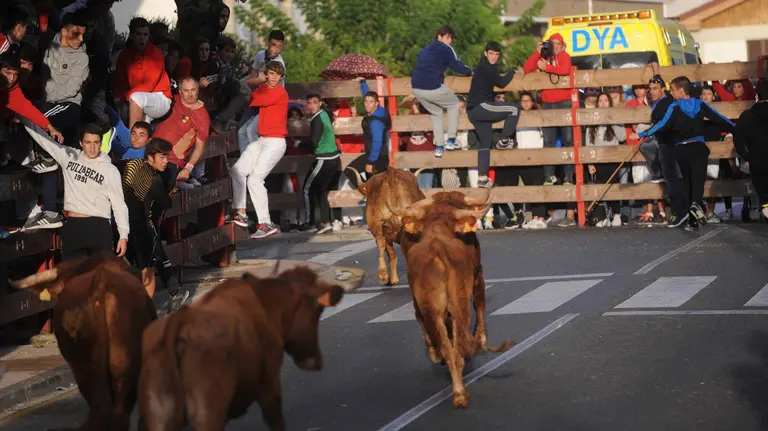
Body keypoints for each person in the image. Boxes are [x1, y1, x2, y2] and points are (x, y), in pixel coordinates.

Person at [639, 76, 736, 231]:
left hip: (682, 149)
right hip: (698, 147)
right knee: (698, 181)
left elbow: (663, 124)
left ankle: (692, 217)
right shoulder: (700, 104)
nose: (671, 93)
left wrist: (645, 133)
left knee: (686, 182)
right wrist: (736, 128)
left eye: (673, 90)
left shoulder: (674, 106)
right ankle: (695, 206)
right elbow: (719, 118)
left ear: (681, 91)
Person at [24, 121, 129, 260]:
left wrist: (123, 235)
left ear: (101, 144)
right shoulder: (70, 156)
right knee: (71, 273)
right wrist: (23, 118)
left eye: (96, 142)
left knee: (101, 273)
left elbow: (119, 204)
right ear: (81, 143)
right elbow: (45, 140)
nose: (92, 147)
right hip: (74, 225)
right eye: (88, 142)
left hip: (99, 226)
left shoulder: (110, 170)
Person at [121, 137, 188, 311]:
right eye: (162, 157)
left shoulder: (131, 165)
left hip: (125, 226)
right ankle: (151, 309)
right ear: (150, 157)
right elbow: (166, 203)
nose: (166, 161)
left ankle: (164, 298)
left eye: (167, 157)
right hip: (142, 227)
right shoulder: (155, 180)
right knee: (148, 268)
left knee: (141, 266)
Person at [230, 60, 288, 239]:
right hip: (262, 140)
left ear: (281, 77)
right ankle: (241, 212)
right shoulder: (264, 88)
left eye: (277, 75)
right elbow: (249, 92)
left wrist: (248, 84)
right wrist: (252, 83)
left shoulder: (279, 92)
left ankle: (266, 223)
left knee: (255, 179)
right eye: (271, 74)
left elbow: (252, 97)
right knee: (237, 170)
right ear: (266, 74)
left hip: (275, 142)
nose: (274, 77)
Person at [411, 25, 472, 158]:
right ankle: (451, 140)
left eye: (451, 38)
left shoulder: (425, 49)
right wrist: (470, 71)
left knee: (436, 113)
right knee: (454, 104)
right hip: (431, 86)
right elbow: (457, 66)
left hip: (416, 88)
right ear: (439, 37)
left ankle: (439, 147)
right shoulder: (446, 49)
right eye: (447, 37)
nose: (449, 41)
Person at [466, 41, 519, 188]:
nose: (494, 57)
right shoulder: (487, 67)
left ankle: (482, 177)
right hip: (481, 106)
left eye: (496, 54)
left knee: (485, 142)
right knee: (514, 109)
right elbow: (501, 83)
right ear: (485, 53)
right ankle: (504, 140)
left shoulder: (482, 67)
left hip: (473, 111)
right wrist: (512, 72)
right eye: (491, 53)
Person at [113, 17, 172, 129]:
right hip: (138, 98)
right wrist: (119, 98)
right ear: (131, 35)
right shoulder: (124, 55)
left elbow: (149, 85)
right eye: (138, 34)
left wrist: (126, 96)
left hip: (160, 97)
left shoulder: (155, 53)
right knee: (127, 107)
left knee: (136, 98)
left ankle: (132, 137)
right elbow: (120, 83)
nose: (142, 38)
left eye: (145, 35)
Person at [238, 29, 285, 154]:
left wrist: (245, 84)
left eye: (279, 46)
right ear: (268, 43)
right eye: (273, 45)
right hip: (259, 98)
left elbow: (263, 84)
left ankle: (256, 159)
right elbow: (253, 76)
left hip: (270, 103)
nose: (276, 49)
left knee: (251, 131)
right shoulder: (260, 55)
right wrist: (251, 82)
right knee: (241, 131)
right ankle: (246, 160)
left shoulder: (278, 64)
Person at [303, 93, 340, 234]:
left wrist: (300, 144)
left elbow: (314, 142)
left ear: (320, 103)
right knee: (321, 191)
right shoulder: (325, 114)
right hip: (334, 158)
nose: (312, 106)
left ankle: (310, 223)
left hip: (324, 159)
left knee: (306, 189)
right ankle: (326, 222)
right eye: (309, 103)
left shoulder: (317, 119)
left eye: (314, 102)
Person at [345, 77, 391, 187]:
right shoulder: (380, 110)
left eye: (371, 102)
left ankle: (367, 192)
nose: (367, 104)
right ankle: (367, 192)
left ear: (377, 103)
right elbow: (368, 95)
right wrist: (363, 82)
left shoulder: (376, 121)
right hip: (375, 155)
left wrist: (370, 162)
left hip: (377, 158)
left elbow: (377, 142)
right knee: (351, 171)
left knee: (351, 171)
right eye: (365, 101)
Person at [733, 79, 768, 221]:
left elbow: (738, 140)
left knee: (763, 193)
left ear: (757, 95)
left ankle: (766, 207)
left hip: (757, 161)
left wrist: (747, 157)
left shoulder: (747, 116)